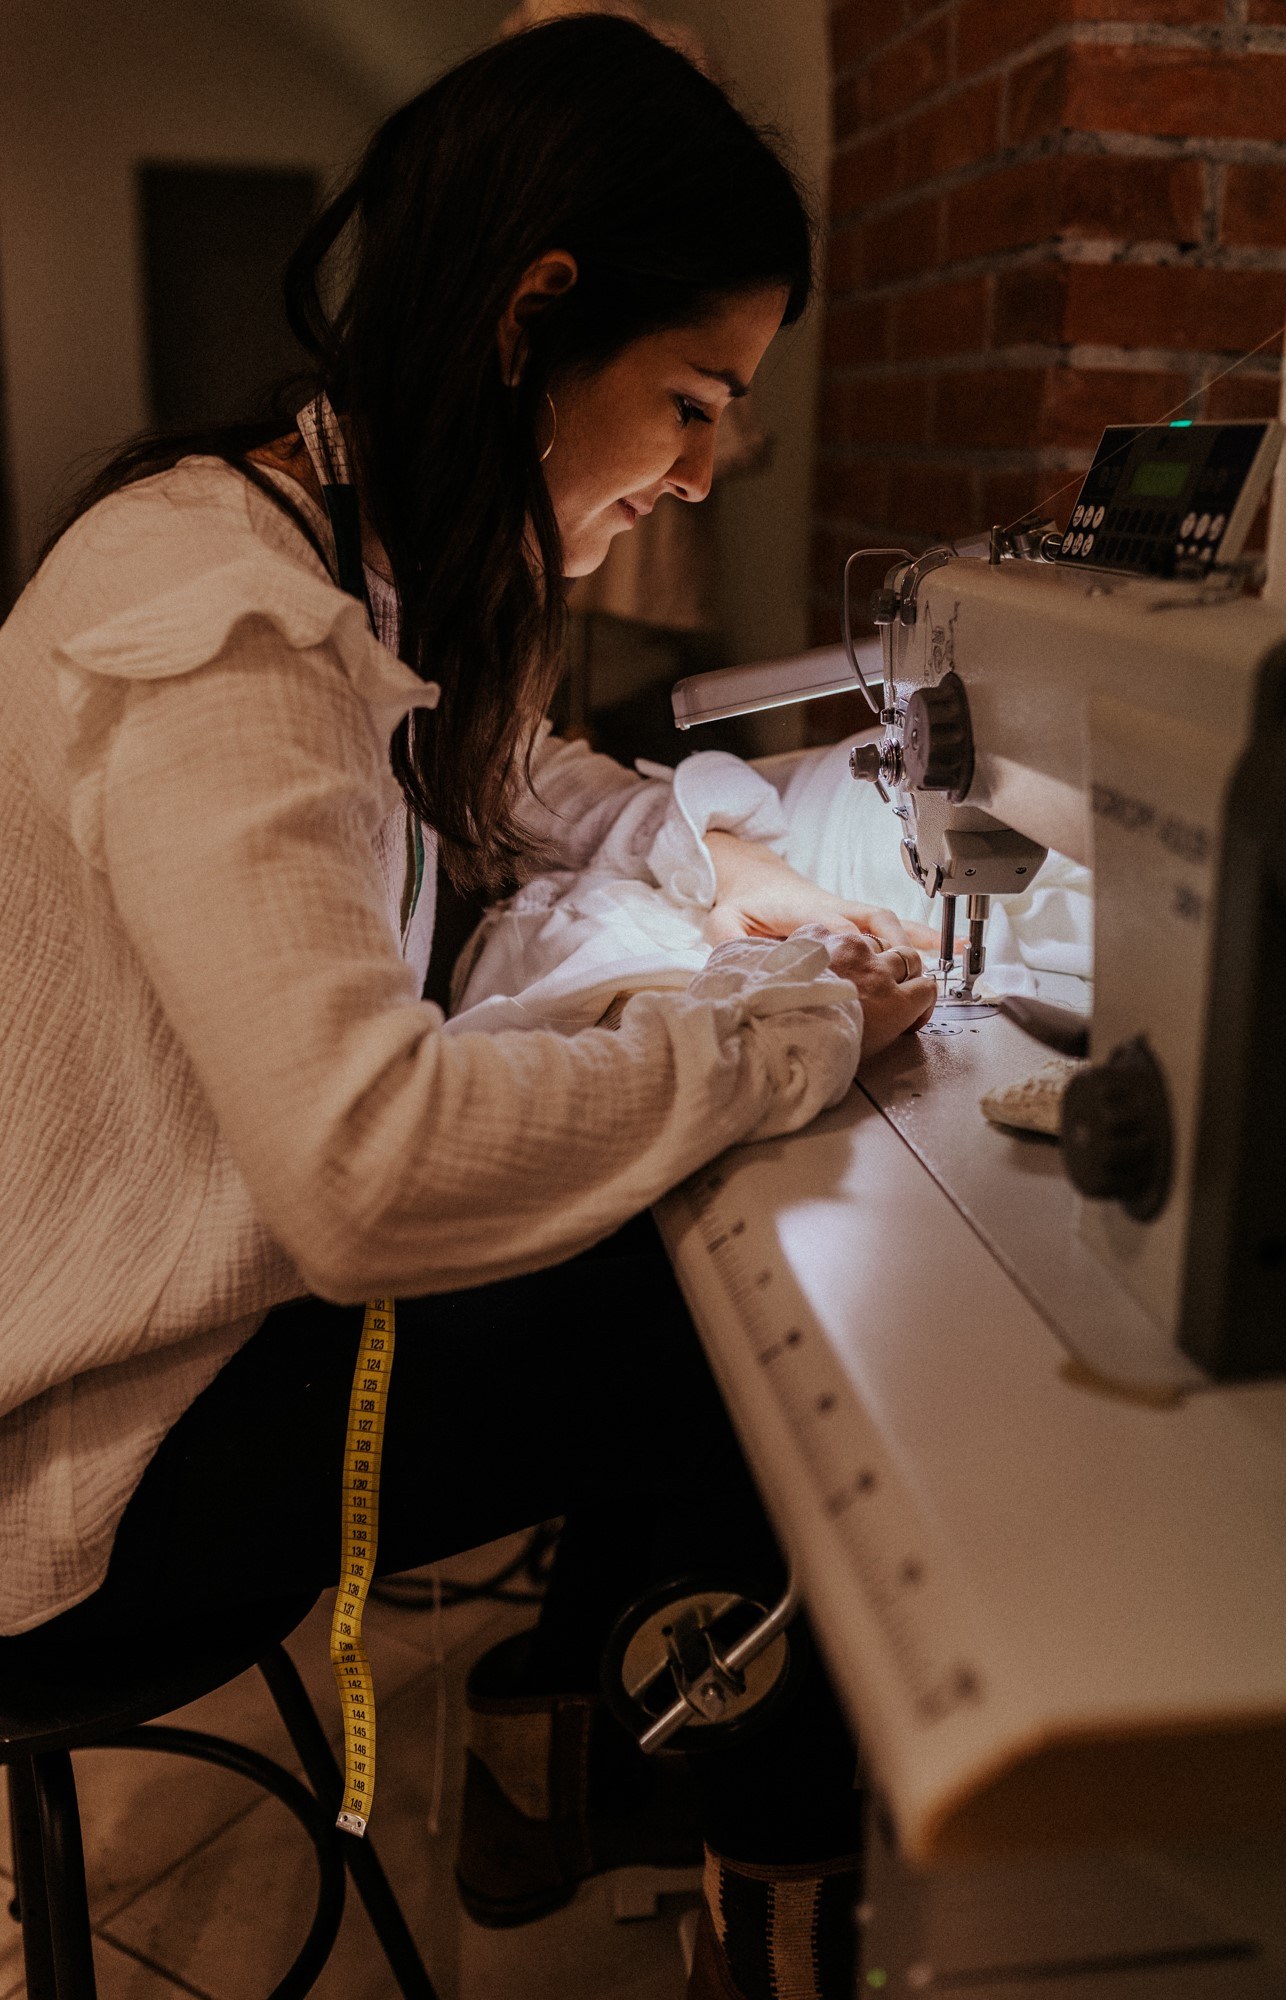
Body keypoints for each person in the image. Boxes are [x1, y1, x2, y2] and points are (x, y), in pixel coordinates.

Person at [0, 18, 936, 1996]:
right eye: (690, 402)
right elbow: (364, 1173)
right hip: (77, 1456)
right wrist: (784, 1033)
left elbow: (500, 767)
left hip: (178, 1316)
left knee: (692, 1255)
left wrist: (716, 856)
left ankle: (573, 1730)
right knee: (756, 1348)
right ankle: (758, 1891)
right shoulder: (220, 615)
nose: (703, 472)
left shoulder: (348, 547)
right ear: (533, 319)